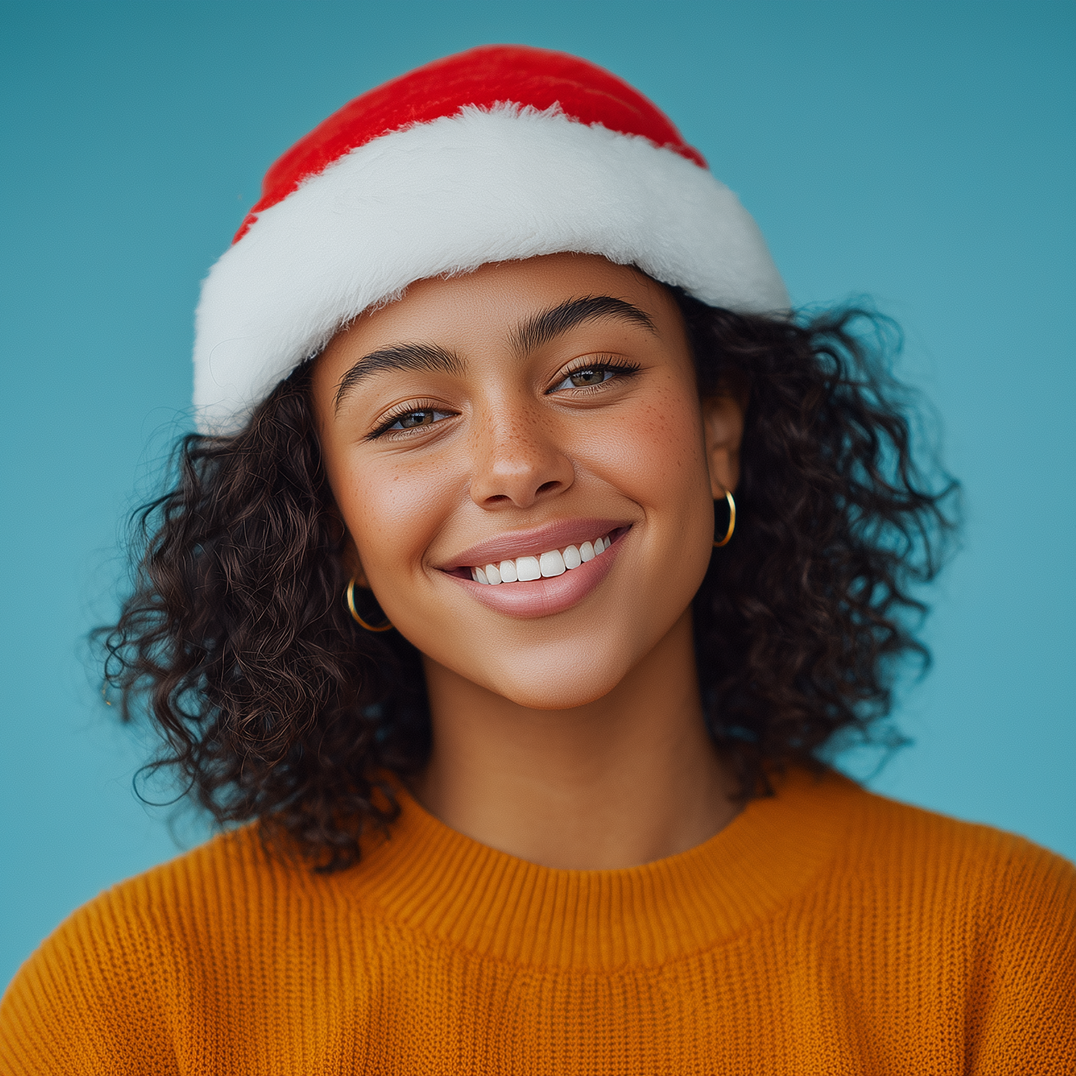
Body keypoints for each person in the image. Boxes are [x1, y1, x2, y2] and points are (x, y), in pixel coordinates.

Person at [1, 44, 1072, 1075]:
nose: (514, 467)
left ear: (718, 429)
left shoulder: (1011, 956)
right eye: (413, 414)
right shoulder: (134, 1008)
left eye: (590, 373)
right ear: (325, 518)